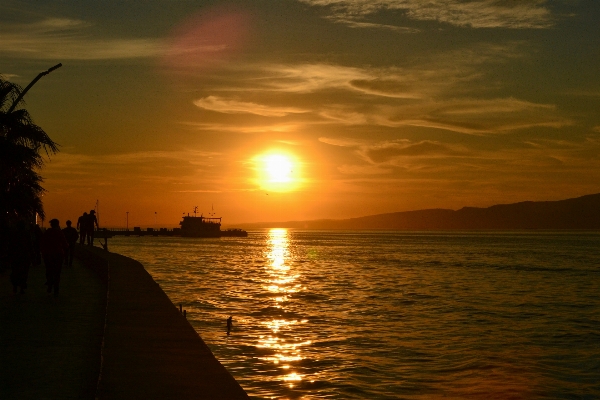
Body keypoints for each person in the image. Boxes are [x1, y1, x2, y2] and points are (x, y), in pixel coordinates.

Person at [41, 219, 68, 296]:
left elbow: (42, 243)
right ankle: (56, 289)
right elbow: (65, 244)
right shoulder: (59, 232)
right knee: (57, 272)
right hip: (58, 254)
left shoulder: (47, 232)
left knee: (49, 270)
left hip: (48, 254)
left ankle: (49, 285)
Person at [9, 221, 33, 294]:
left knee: (15, 271)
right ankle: (22, 287)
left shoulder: (13, 234)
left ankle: (15, 286)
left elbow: (10, 245)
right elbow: (30, 245)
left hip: (15, 256)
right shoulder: (26, 234)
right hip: (24, 256)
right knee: (24, 272)